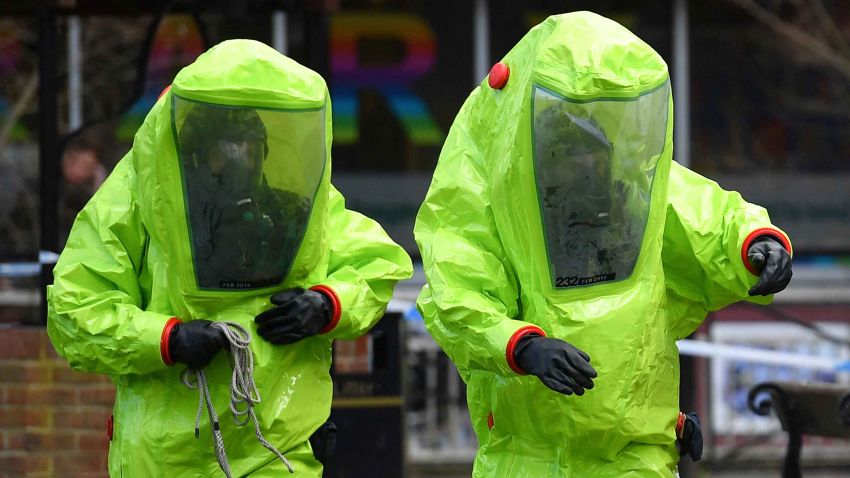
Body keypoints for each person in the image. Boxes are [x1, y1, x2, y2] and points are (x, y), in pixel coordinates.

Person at [414, 12, 792, 477]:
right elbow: (457, 298)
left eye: (594, 144)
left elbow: (703, 216)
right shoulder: (491, 197)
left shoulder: (627, 192)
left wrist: (756, 244)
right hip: (533, 460)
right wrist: (521, 347)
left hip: (636, 451)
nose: (587, 162)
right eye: (568, 145)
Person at [47, 39, 413, 477]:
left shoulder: (297, 212)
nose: (239, 162)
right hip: (168, 458)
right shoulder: (133, 207)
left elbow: (373, 266)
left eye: (249, 147)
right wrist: (166, 340)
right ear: (192, 152)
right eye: (225, 148)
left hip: (277, 447)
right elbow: (75, 311)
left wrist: (326, 304)